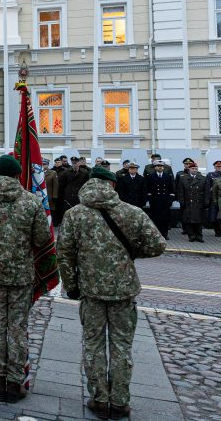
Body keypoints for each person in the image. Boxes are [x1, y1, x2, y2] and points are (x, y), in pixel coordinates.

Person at [58, 167, 166, 420]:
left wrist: (71, 285)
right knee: (121, 347)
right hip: (123, 290)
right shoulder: (132, 212)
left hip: (91, 290)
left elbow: (64, 253)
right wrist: (130, 253)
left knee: (93, 346)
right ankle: (119, 403)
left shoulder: (75, 215)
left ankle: (98, 399)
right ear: (113, 186)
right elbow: (158, 245)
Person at [0, 155, 50, 404]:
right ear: (17, 175)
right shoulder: (31, 201)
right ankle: (15, 383)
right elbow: (42, 238)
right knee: (17, 328)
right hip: (21, 275)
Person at [176, 163, 208, 242]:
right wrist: (181, 201)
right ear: (189, 169)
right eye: (193, 169)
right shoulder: (183, 178)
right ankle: (191, 236)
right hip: (188, 202)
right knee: (189, 221)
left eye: (196, 169)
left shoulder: (203, 178)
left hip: (199, 202)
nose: (194, 170)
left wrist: (206, 202)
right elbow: (180, 191)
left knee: (199, 221)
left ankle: (199, 236)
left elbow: (207, 192)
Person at [145, 161, 175, 239]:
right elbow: (148, 189)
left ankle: (164, 234)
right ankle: (156, 234)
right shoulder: (151, 176)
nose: (160, 167)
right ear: (155, 167)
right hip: (155, 201)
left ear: (163, 167)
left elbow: (171, 189)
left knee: (165, 219)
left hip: (165, 201)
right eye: (158, 166)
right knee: (155, 219)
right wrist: (150, 200)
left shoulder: (168, 176)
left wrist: (170, 200)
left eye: (161, 166)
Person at [57, 156, 89, 226]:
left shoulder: (84, 172)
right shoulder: (66, 172)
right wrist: (62, 196)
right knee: (69, 211)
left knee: (80, 212)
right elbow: (62, 185)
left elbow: (86, 184)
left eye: (75, 163)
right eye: (73, 163)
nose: (74, 164)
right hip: (69, 195)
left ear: (79, 163)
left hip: (79, 195)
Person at [42, 159, 58, 225]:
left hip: (49, 194)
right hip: (41, 194)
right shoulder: (38, 172)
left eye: (45, 164)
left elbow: (55, 185)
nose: (43, 165)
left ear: (48, 165)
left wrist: (55, 196)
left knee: (51, 208)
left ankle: (52, 221)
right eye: (42, 164)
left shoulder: (52, 173)